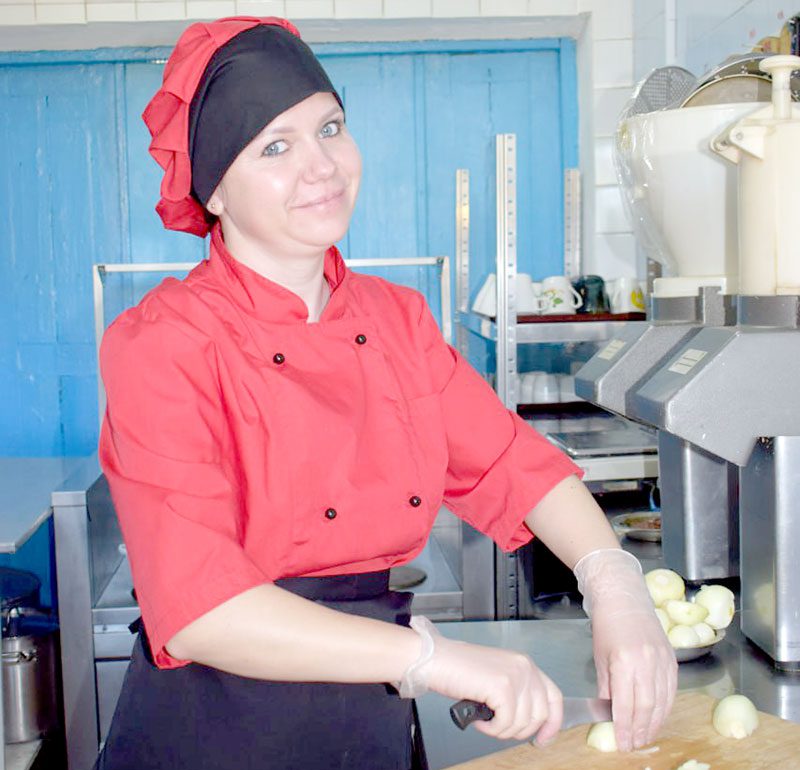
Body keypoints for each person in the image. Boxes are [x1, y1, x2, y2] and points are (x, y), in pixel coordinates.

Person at [96, 16, 677, 770]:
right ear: (214, 193)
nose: (321, 166)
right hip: (214, 729)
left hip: (366, 720)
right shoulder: (164, 340)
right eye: (274, 146)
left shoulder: (394, 319)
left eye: (329, 128)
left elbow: (513, 463)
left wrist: (614, 583)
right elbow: (199, 608)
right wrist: (431, 659)